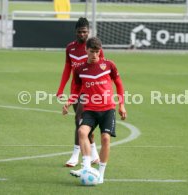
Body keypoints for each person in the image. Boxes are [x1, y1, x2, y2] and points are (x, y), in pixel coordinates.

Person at [62, 37, 127, 184]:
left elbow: (118, 83)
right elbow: (77, 89)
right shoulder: (80, 70)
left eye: (97, 52)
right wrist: (69, 101)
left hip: (108, 109)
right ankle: (86, 167)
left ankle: (101, 174)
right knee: (81, 132)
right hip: (90, 109)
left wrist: (121, 104)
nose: (95, 55)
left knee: (105, 138)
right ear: (86, 50)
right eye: (92, 52)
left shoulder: (109, 65)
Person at [56, 17, 104, 167]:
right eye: (79, 32)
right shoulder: (70, 48)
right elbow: (67, 69)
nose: (82, 34)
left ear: (89, 32)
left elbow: (101, 68)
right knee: (84, 124)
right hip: (76, 89)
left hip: (90, 90)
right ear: (75, 32)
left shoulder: (94, 48)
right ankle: (95, 154)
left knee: (79, 120)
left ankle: (75, 155)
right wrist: (60, 89)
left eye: (84, 32)